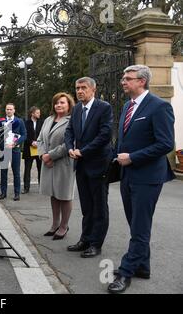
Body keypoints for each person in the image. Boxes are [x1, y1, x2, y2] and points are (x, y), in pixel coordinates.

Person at [107, 65, 175, 294]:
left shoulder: (159, 106)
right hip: (128, 175)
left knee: (140, 226)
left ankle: (126, 272)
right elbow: (125, 139)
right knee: (135, 223)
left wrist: (133, 157)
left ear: (142, 81)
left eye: (128, 78)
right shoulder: (128, 105)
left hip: (147, 177)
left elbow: (166, 144)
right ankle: (143, 266)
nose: (123, 82)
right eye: (123, 78)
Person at [65, 77, 113, 258]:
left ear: (93, 90)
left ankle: (95, 243)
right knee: (86, 205)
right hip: (81, 164)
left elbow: (105, 135)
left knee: (99, 205)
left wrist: (82, 151)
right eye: (77, 88)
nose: (79, 91)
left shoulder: (104, 107)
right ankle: (85, 239)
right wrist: (70, 148)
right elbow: (70, 131)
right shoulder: (77, 109)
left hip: (98, 164)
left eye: (83, 88)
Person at [37, 93, 75, 240]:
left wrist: (50, 155)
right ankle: (55, 224)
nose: (58, 105)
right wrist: (42, 156)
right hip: (48, 163)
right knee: (53, 194)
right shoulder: (48, 119)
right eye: (56, 103)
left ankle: (64, 226)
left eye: (62, 103)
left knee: (64, 195)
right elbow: (40, 139)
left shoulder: (72, 120)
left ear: (69, 105)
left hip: (63, 163)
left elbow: (70, 143)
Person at [0, 103, 26, 201]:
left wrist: (15, 143)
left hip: (15, 150)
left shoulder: (19, 121)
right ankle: (3, 192)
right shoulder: (1, 122)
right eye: (7, 109)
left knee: (16, 173)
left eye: (10, 109)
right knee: (3, 172)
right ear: (5, 110)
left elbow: (24, 135)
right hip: (4, 150)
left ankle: (17, 193)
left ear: (14, 110)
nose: (9, 111)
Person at [22, 106, 43, 194]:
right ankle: (26, 188)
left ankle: (42, 187)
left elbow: (44, 134)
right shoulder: (26, 123)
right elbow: (24, 135)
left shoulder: (42, 122)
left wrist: (38, 143)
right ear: (32, 113)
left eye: (39, 113)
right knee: (27, 169)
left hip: (39, 148)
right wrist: (31, 142)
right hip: (28, 148)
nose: (39, 114)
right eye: (37, 113)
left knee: (41, 169)